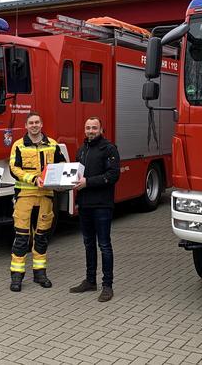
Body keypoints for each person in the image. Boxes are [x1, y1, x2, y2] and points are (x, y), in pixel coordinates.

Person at [8, 111, 66, 292]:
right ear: (26, 126)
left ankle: (40, 274)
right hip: (25, 196)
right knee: (21, 238)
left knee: (41, 237)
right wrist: (32, 179)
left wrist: (64, 182)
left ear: (41, 125)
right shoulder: (18, 145)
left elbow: (62, 166)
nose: (34, 125)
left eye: (37, 122)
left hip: (46, 197)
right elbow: (13, 168)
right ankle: (16, 277)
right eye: (31, 123)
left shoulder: (53, 145)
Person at [70, 117, 120, 302]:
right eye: (88, 128)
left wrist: (88, 182)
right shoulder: (82, 150)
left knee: (104, 245)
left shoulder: (109, 149)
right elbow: (77, 175)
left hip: (102, 206)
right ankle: (90, 281)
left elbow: (113, 175)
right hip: (85, 205)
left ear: (101, 129)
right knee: (88, 244)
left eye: (94, 128)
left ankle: (107, 285)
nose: (91, 131)